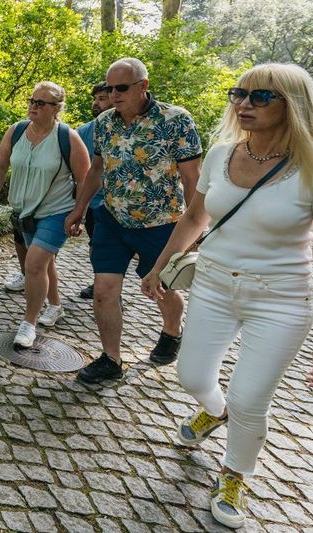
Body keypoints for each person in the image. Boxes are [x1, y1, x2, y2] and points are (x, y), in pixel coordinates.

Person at [141, 63, 313, 529]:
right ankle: (214, 413)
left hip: (281, 299)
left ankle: (236, 474)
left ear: (292, 105)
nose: (244, 104)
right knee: (192, 377)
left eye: (261, 97)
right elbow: (195, 216)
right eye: (240, 93)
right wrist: (160, 265)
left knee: (250, 397)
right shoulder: (220, 154)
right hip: (213, 285)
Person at [65, 57, 202, 380]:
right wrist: (80, 208)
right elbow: (96, 169)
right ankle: (111, 359)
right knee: (103, 289)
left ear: (143, 86)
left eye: (122, 87)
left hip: (162, 223)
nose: (113, 94)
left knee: (163, 289)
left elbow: (192, 178)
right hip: (113, 219)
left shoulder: (175, 120)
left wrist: (196, 227)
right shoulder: (105, 123)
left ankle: (172, 331)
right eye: (109, 88)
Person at [0, 81, 90, 348]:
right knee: (43, 264)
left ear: (56, 108)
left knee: (33, 265)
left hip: (56, 212)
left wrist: (80, 214)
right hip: (23, 212)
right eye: (31, 101)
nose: (33, 106)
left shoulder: (68, 137)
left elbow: (85, 179)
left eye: (40, 103)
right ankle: (55, 305)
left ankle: (28, 324)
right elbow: (0, 167)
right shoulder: (16, 131)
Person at [75, 81, 114, 299]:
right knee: (96, 244)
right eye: (95, 99)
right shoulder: (83, 132)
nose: (96, 103)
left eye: (102, 99)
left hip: (120, 203)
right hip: (94, 201)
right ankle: (101, 283)